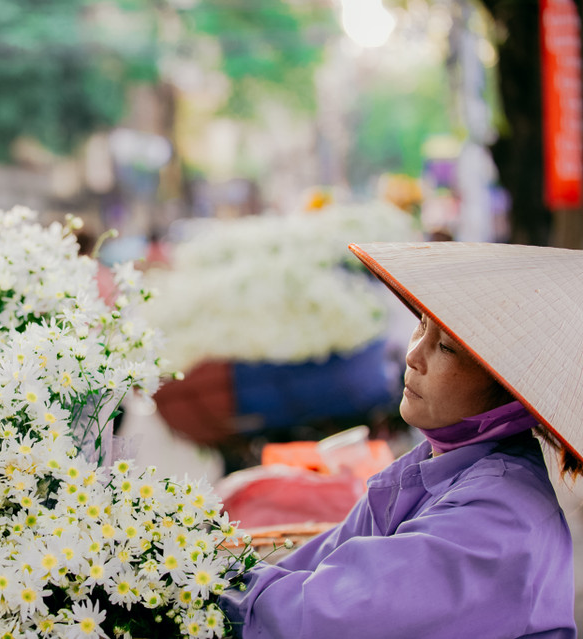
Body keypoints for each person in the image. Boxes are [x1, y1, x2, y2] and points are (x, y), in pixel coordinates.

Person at [221, 241, 580, 638]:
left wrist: (192, 586)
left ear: (510, 389)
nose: (414, 356)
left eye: (445, 347)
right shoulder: (433, 467)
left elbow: (320, 618)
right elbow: (313, 565)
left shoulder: (498, 520)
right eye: (422, 325)